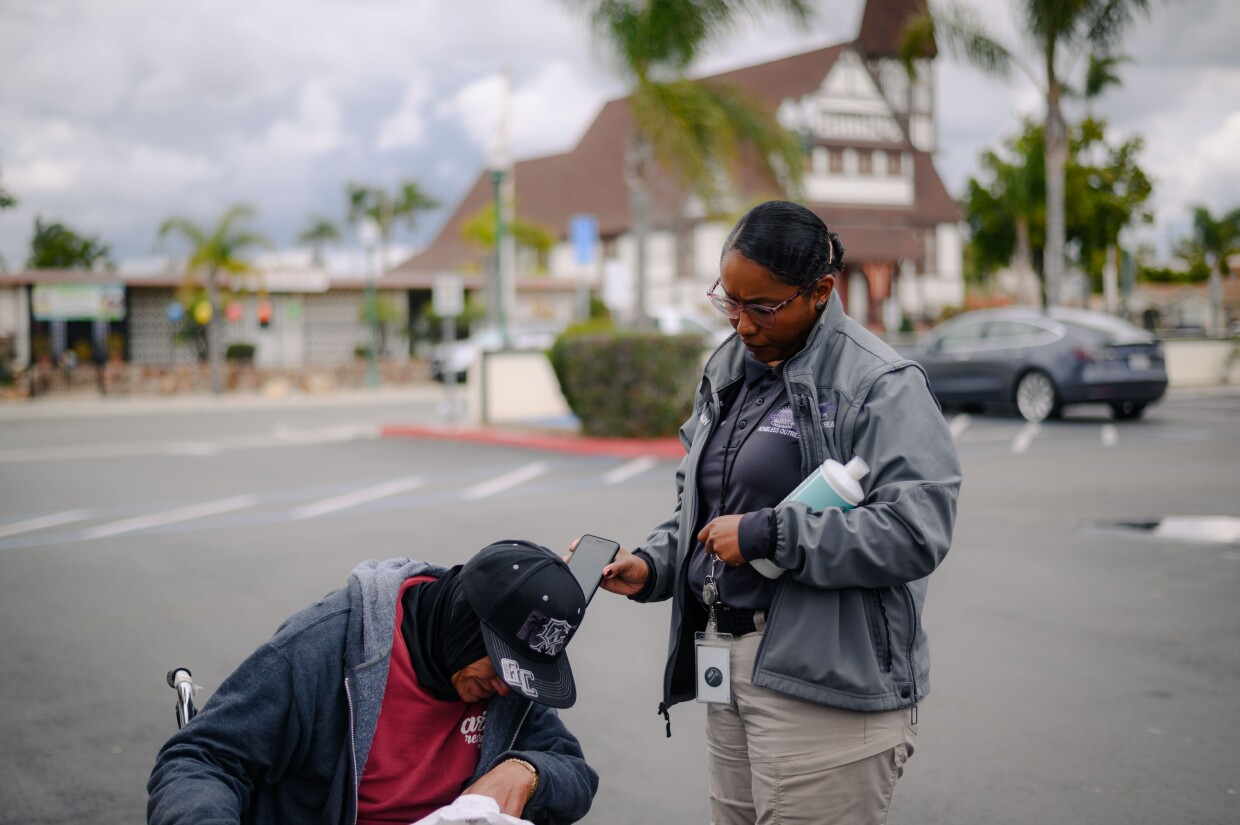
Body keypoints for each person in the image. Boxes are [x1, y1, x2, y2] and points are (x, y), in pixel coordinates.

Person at [588, 200, 962, 824]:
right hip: (726, 669)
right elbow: (703, 508)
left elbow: (914, 532)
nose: (741, 322)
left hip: (826, 690)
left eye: (762, 306)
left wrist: (772, 533)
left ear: (820, 291)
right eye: (728, 301)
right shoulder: (732, 370)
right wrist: (652, 565)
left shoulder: (880, 383)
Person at [148, 540, 599, 825]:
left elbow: (575, 773)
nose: (508, 688)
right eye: (501, 666)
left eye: (523, 675)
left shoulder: (509, 686)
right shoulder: (325, 645)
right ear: (465, 624)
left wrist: (526, 772)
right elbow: (202, 758)